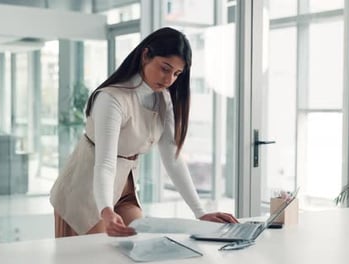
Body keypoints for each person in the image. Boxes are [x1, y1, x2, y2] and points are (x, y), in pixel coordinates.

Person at [50, 27, 238, 238]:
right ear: (145, 55)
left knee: (141, 244)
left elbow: (172, 159)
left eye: (176, 74)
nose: (169, 80)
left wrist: (200, 213)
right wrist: (105, 210)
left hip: (124, 189)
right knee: (97, 254)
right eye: (165, 68)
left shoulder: (163, 99)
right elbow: (105, 163)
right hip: (85, 189)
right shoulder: (112, 99)